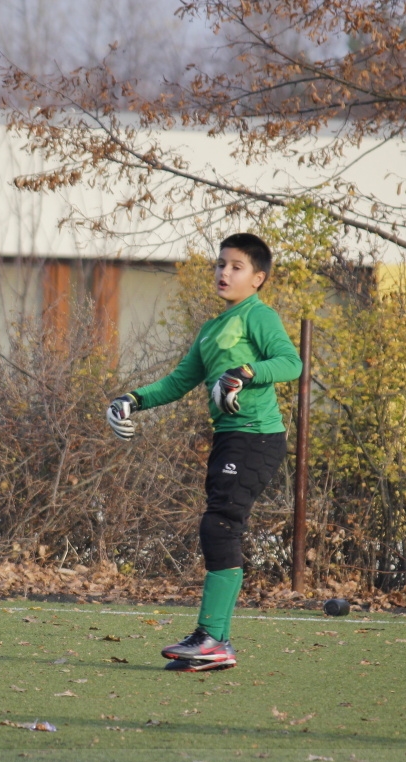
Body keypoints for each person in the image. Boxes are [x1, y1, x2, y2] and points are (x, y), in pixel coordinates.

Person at [107, 233, 301, 671]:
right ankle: (216, 645)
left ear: (258, 279)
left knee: (220, 525)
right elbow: (179, 381)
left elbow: (291, 363)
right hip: (229, 437)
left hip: (257, 437)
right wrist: (132, 399)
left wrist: (246, 371)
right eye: (220, 264)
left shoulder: (259, 316)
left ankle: (212, 638)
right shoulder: (213, 328)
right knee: (219, 525)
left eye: (236, 267)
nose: (224, 273)